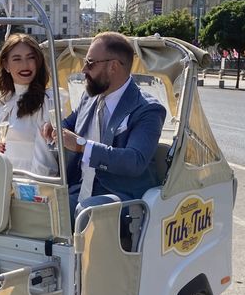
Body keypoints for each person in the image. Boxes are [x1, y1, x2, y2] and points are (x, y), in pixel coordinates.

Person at [41, 32, 166, 220]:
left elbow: (135, 161)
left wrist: (81, 145)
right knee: (37, 203)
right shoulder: (90, 96)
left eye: (90, 63)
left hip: (123, 196)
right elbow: (72, 122)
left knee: (86, 211)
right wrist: (54, 128)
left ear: (113, 66)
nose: (84, 69)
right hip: (80, 187)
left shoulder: (148, 109)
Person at [0, 34, 64, 176]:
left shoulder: (48, 101)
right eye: (17, 59)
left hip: (25, 187)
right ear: (6, 65)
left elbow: (45, 160)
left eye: (31, 58)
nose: (25, 65)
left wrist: (29, 191)